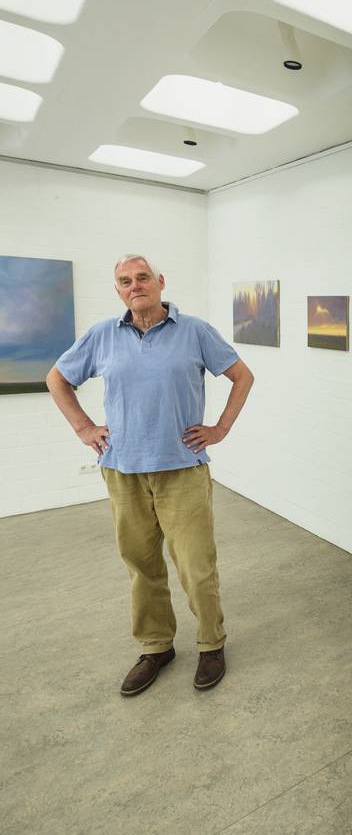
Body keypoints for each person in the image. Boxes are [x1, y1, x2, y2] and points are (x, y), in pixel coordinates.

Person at [46, 255, 254, 696]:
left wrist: (220, 428)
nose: (135, 285)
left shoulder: (194, 330)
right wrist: (85, 427)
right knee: (141, 566)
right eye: (125, 281)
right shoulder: (102, 335)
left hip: (183, 469)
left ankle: (211, 643)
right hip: (123, 470)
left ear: (160, 282)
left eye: (142, 278)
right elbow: (57, 379)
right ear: (118, 290)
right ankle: (157, 646)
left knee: (197, 566)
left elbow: (242, 376)